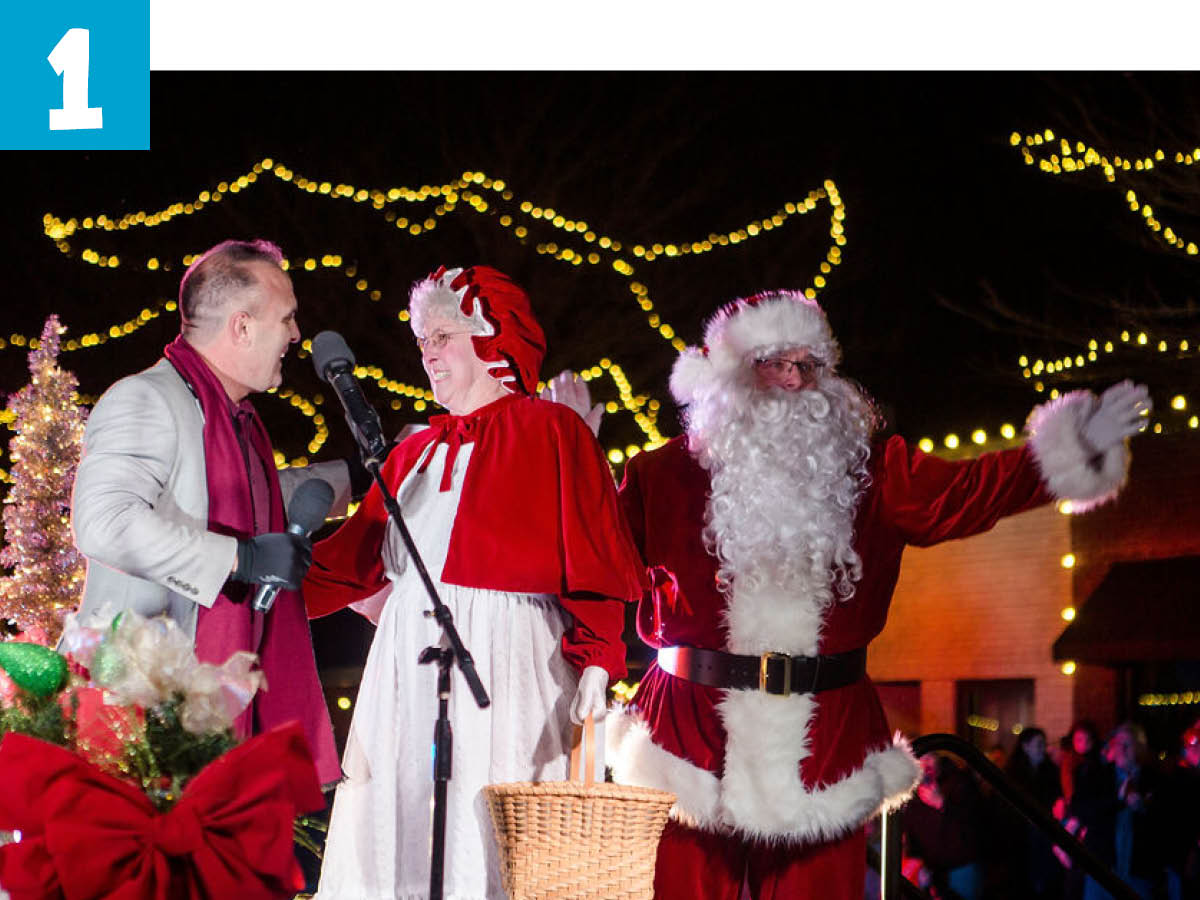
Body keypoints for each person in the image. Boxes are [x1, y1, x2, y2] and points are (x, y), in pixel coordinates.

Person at [585, 289, 1149, 899]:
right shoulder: (658, 475)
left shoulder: (874, 471)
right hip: (688, 731)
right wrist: (567, 457)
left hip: (823, 739)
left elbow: (968, 491)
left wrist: (1066, 452)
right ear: (728, 375)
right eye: (774, 362)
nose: (794, 381)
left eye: (809, 365)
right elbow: (588, 554)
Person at [302, 265, 647, 900]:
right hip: (407, 675)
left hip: (509, 664)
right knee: (406, 820)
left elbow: (593, 559)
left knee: (488, 827)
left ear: (491, 340)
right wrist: (248, 587)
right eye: (421, 340)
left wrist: (599, 659)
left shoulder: (550, 430)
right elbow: (342, 565)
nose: (427, 353)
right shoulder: (410, 454)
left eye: (443, 336)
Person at [70, 239, 353, 786]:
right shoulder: (145, 398)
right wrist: (240, 558)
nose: (296, 335)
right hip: (143, 719)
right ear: (242, 327)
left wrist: (359, 476)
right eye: (287, 317)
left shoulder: (233, 417)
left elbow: (252, 497)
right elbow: (103, 521)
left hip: (216, 704)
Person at [902, 753, 987, 900]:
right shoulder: (909, 790)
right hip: (929, 868)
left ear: (937, 758)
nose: (924, 763)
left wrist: (941, 804)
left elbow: (975, 825)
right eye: (918, 758)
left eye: (928, 757)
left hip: (960, 866)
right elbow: (910, 830)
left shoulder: (960, 782)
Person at [1005, 726, 1065, 899]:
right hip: (1021, 843)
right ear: (1025, 746)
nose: (1043, 749)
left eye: (1043, 744)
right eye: (1038, 744)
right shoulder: (1013, 774)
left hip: (1045, 842)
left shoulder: (1051, 771)